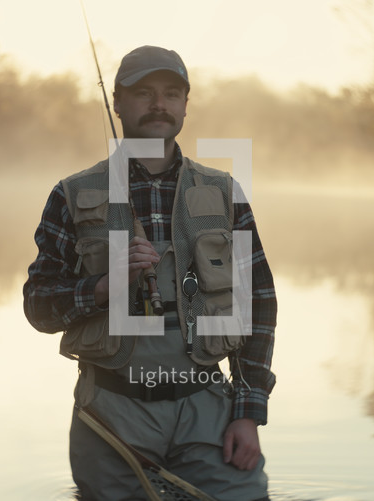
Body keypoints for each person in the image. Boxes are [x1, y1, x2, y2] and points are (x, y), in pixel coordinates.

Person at [23, 45, 277, 500]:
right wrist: (102, 287)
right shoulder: (69, 195)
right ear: (117, 102)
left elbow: (258, 304)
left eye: (171, 93)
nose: (159, 104)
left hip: (208, 409)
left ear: (185, 104)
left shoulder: (223, 192)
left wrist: (247, 412)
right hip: (110, 415)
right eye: (144, 92)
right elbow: (38, 306)